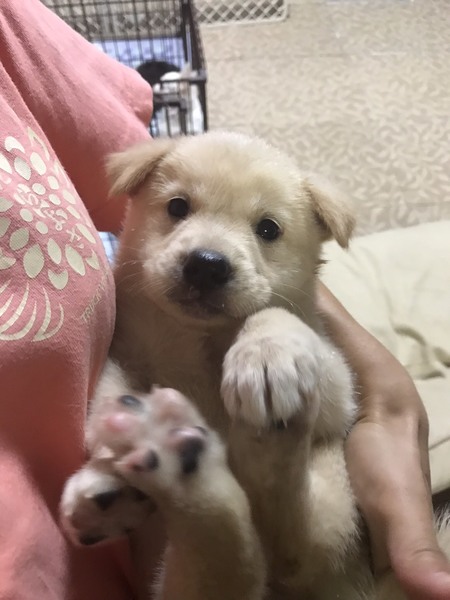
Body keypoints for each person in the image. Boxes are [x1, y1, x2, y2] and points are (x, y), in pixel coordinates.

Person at [0, 1, 448, 599]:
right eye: (179, 207)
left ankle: (219, 505)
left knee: (296, 381)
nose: (208, 254)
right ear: (136, 201)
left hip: (314, 545)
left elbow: (334, 409)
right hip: (164, 565)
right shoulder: (130, 305)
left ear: (316, 247)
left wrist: (283, 334)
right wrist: (112, 453)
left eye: (267, 229)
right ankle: (208, 512)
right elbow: (119, 377)